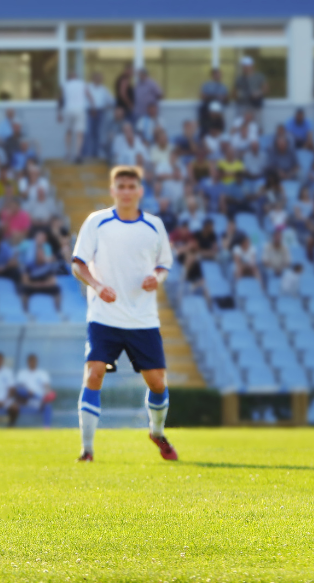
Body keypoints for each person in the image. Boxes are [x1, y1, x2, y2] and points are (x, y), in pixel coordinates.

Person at [71, 165, 177, 462]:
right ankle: (87, 449)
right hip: (104, 316)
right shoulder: (97, 222)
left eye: (132, 187)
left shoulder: (154, 226)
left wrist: (156, 278)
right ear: (113, 190)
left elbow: (163, 265)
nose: (127, 192)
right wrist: (96, 284)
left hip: (142, 319)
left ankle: (156, 432)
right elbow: (78, 264)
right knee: (93, 373)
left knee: (157, 383)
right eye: (122, 186)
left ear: (140, 191)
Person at [15, 353, 55, 427]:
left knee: (48, 406)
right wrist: (30, 392)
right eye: (31, 361)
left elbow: (47, 388)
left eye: (34, 361)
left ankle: (47, 428)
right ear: (28, 362)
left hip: (39, 401)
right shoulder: (22, 373)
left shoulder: (42, 374)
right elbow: (19, 388)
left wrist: (47, 395)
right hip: (26, 399)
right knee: (21, 391)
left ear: (37, 361)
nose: (32, 362)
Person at [59, 67, 87, 163]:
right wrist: (94, 106)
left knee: (68, 132)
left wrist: (59, 113)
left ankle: (68, 153)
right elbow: (88, 95)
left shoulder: (65, 85)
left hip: (68, 110)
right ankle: (78, 154)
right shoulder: (82, 84)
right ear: (76, 77)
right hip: (79, 110)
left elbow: (61, 99)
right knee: (79, 133)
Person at [84, 72, 113, 160]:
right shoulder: (88, 87)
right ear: (93, 79)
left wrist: (105, 107)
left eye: (100, 78)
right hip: (89, 112)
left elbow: (111, 101)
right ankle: (85, 154)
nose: (99, 80)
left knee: (97, 133)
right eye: (97, 78)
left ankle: (95, 154)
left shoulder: (103, 89)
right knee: (88, 133)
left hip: (100, 112)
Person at [233, 56, 267, 120]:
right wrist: (238, 94)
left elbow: (266, 89)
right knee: (240, 123)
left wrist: (258, 93)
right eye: (243, 66)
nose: (245, 68)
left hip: (255, 105)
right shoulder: (239, 79)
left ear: (252, 66)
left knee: (257, 125)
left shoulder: (259, 76)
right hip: (242, 105)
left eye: (246, 66)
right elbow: (234, 92)